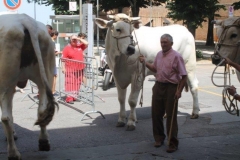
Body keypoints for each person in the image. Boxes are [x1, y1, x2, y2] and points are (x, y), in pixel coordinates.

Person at [139, 34, 187, 153]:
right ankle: (159, 138)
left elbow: (184, 76)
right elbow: (155, 69)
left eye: (165, 42)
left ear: (171, 43)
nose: (163, 44)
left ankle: (172, 143)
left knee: (171, 116)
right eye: (162, 42)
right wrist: (145, 62)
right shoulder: (159, 54)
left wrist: (179, 91)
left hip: (171, 87)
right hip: (158, 86)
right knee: (156, 114)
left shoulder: (177, 56)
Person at [62, 35, 88, 104]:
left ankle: (74, 96)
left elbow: (87, 43)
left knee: (77, 83)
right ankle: (69, 98)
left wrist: (78, 38)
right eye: (72, 39)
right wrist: (63, 67)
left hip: (79, 68)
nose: (74, 41)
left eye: (75, 39)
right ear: (70, 40)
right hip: (70, 69)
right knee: (70, 83)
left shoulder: (80, 46)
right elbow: (63, 59)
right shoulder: (67, 48)